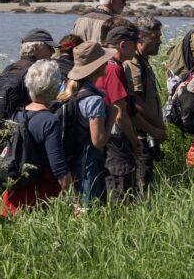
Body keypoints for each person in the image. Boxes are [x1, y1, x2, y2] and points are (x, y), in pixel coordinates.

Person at [1, 60, 74, 215]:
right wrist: (72, 199)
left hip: (11, 198)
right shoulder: (49, 120)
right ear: (54, 88)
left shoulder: (16, 115)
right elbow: (58, 166)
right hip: (38, 198)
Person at [57, 42, 118, 205]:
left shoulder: (67, 90)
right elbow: (98, 141)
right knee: (89, 206)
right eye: (104, 61)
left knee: (74, 205)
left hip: (71, 157)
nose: (107, 63)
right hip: (88, 162)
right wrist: (112, 115)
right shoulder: (94, 100)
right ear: (96, 67)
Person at [0, 28, 58, 149]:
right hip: (23, 140)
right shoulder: (35, 70)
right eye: (49, 48)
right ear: (35, 48)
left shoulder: (9, 68)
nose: (52, 52)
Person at [96, 24, 143, 204]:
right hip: (115, 136)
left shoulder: (99, 64)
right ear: (123, 45)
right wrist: (134, 140)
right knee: (121, 184)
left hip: (100, 132)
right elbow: (120, 112)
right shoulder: (114, 69)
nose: (137, 47)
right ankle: (120, 218)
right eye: (134, 43)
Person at [123, 15, 167, 193]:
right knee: (141, 187)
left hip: (146, 134)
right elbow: (135, 102)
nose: (160, 42)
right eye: (155, 38)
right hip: (140, 136)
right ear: (140, 38)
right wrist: (155, 127)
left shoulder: (142, 60)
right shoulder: (134, 63)